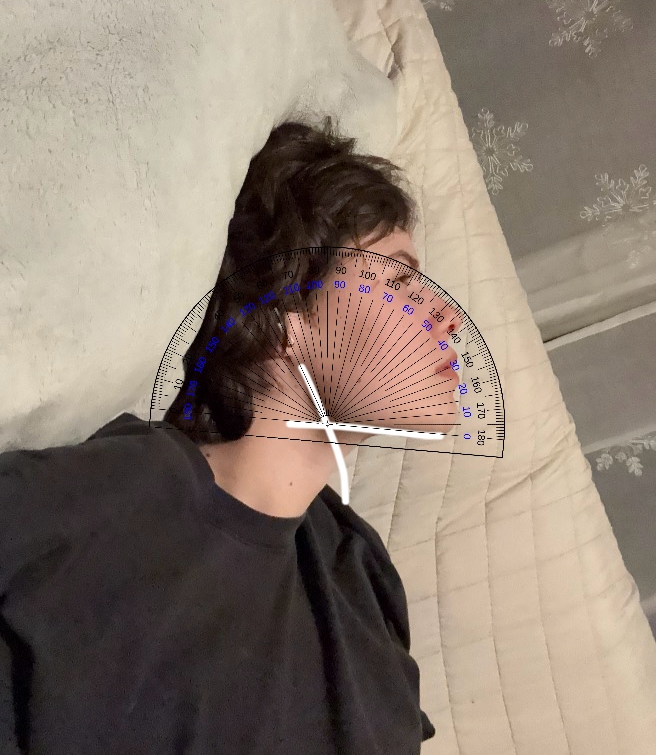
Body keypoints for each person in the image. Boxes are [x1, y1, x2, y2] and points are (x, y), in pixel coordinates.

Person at [0, 117, 460, 754]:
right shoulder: (130, 495)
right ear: (284, 315)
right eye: (401, 281)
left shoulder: (360, 572)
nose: (447, 315)